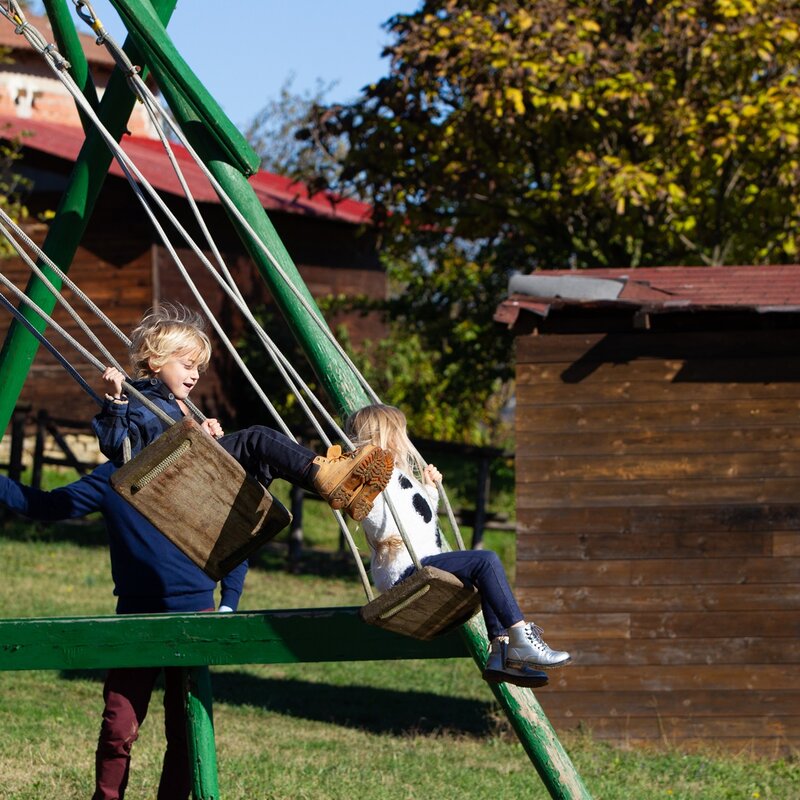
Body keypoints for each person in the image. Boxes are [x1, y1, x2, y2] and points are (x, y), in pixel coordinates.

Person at [0, 463, 243, 800]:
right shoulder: (111, 477)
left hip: (193, 620)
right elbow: (47, 505)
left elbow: (234, 530)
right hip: (134, 622)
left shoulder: (191, 465)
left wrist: (229, 602)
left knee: (186, 730)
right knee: (118, 725)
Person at [92, 304, 392, 522]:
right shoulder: (138, 400)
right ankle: (328, 475)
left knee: (269, 462)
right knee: (257, 438)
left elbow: (168, 440)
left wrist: (201, 436)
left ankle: (341, 487)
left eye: (198, 368)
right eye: (187, 365)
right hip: (178, 484)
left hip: (193, 476)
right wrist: (116, 402)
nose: (195, 375)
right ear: (156, 362)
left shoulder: (169, 403)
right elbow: (119, 450)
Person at [345, 404, 572, 689]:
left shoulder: (397, 476)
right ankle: (520, 637)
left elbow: (416, 522)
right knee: (485, 561)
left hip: (420, 561)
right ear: (389, 436)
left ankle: (501, 654)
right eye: (400, 433)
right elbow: (374, 513)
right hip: (406, 571)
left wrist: (428, 489)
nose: (406, 440)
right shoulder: (373, 477)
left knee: (487, 575)